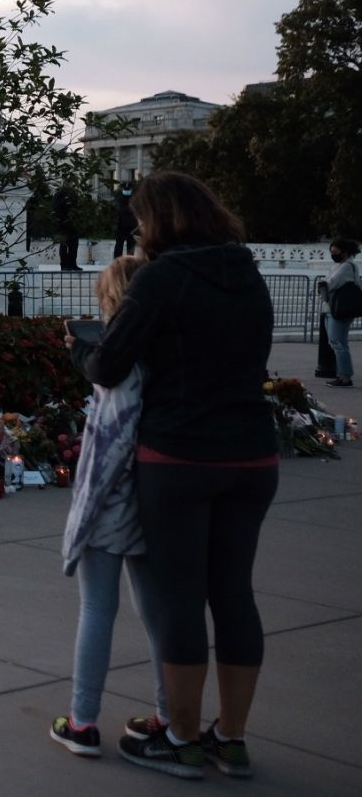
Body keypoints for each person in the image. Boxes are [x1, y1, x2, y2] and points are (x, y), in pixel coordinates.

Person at [67, 171, 277, 781]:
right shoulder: (246, 272)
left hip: (181, 458)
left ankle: (181, 737)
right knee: (235, 594)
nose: (136, 229)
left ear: (162, 219)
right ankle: (230, 738)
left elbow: (109, 365)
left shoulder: (162, 278)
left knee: (181, 597)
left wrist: (76, 347)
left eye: (140, 218)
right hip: (253, 455)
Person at [51, 256, 167, 760]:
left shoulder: (120, 363)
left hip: (114, 502)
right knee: (158, 616)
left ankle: (83, 722)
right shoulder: (168, 352)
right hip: (157, 497)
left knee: (98, 609)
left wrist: (86, 510)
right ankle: (169, 715)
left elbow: (112, 441)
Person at [319, 237, 359, 388]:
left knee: (339, 343)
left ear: (344, 252)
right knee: (336, 342)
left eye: (336, 251)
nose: (333, 254)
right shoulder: (340, 265)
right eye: (331, 251)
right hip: (332, 308)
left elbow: (331, 283)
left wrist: (323, 285)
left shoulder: (346, 266)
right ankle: (342, 375)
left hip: (339, 309)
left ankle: (345, 377)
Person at [53, 185, 81, 271]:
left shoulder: (73, 194)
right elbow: (56, 208)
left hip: (73, 224)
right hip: (63, 223)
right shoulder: (59, 195)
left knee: (74, 245)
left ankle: (72, 264)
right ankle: (64, 265)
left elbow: (78, 206)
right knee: (64, 245)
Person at [112, 185, 137, 259]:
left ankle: (126, 260)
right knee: (121, 245)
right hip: (123, 227)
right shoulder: (122, 200)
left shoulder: (130, 200)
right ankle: (119, 260)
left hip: (128, 227)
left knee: (128, 246)